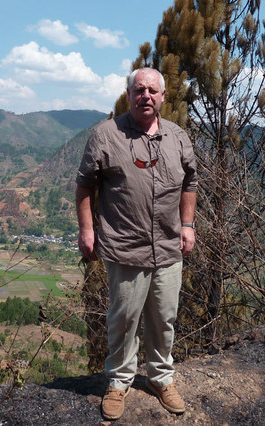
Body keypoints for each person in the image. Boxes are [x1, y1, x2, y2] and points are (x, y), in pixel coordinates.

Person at [75, 67, 197, 420]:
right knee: (124, 318)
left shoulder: (177, 137)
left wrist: (187, 225)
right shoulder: (105, 135)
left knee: (164, 317)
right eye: (138, 89)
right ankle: (118, 382)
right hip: (125, 245)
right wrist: (87, 230)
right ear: (128, 95)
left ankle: (161, 378)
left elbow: (191, 182)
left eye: (152, 90)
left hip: (169, 245)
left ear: (163, 97)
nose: (145, 95)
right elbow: (85, 186)